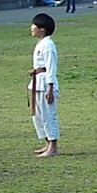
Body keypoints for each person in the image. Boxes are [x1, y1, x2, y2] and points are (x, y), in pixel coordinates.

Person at [28, 12, 59, 157]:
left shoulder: (48, 45)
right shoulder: (41, 43)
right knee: (38, 115)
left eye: (34, 25)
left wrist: (50, 87)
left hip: (46, 82)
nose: (31, 28)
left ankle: (53, 146)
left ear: (42, 28)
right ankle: (47, 143)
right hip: (38, 82)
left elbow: (51, 67)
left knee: (48, 115)